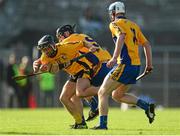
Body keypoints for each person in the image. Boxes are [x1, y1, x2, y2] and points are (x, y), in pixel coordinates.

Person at [93, 1, 155, 129]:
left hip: (125, 65)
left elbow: (121, 35)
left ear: (114, 13)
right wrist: (149, 64)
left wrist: (114, 58)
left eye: (111, 13)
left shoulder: (114, 24)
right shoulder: (133, 25)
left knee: (102, 92)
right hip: (135, 66)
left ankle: (102, 125)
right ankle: (147, 106)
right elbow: (147, 44)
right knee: (117, 95)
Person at [33, 34, 112, 129]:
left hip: (84, 68)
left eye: (47, 48)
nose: (46, 51)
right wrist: (43, 69)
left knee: (80, 93)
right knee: (63, 98)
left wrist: (91, 47)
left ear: (53, 45)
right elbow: (54, 71)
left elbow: (83, 43)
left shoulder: (66, 47)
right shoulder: (44, 57)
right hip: (74, 74)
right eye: (44, 50)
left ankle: (104, 90)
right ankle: (80, 123)